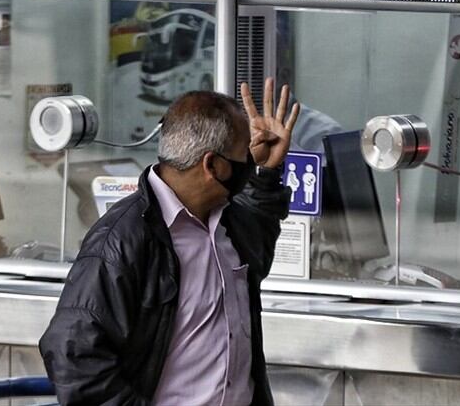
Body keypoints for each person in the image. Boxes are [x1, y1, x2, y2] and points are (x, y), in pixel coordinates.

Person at [39, 78, 299, 406]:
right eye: (242, 155)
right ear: (213, 166)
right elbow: (73, 355)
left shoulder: (226, 219)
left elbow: (257, 239)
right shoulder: (121, 240)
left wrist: (264, 174)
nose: (248, 160)